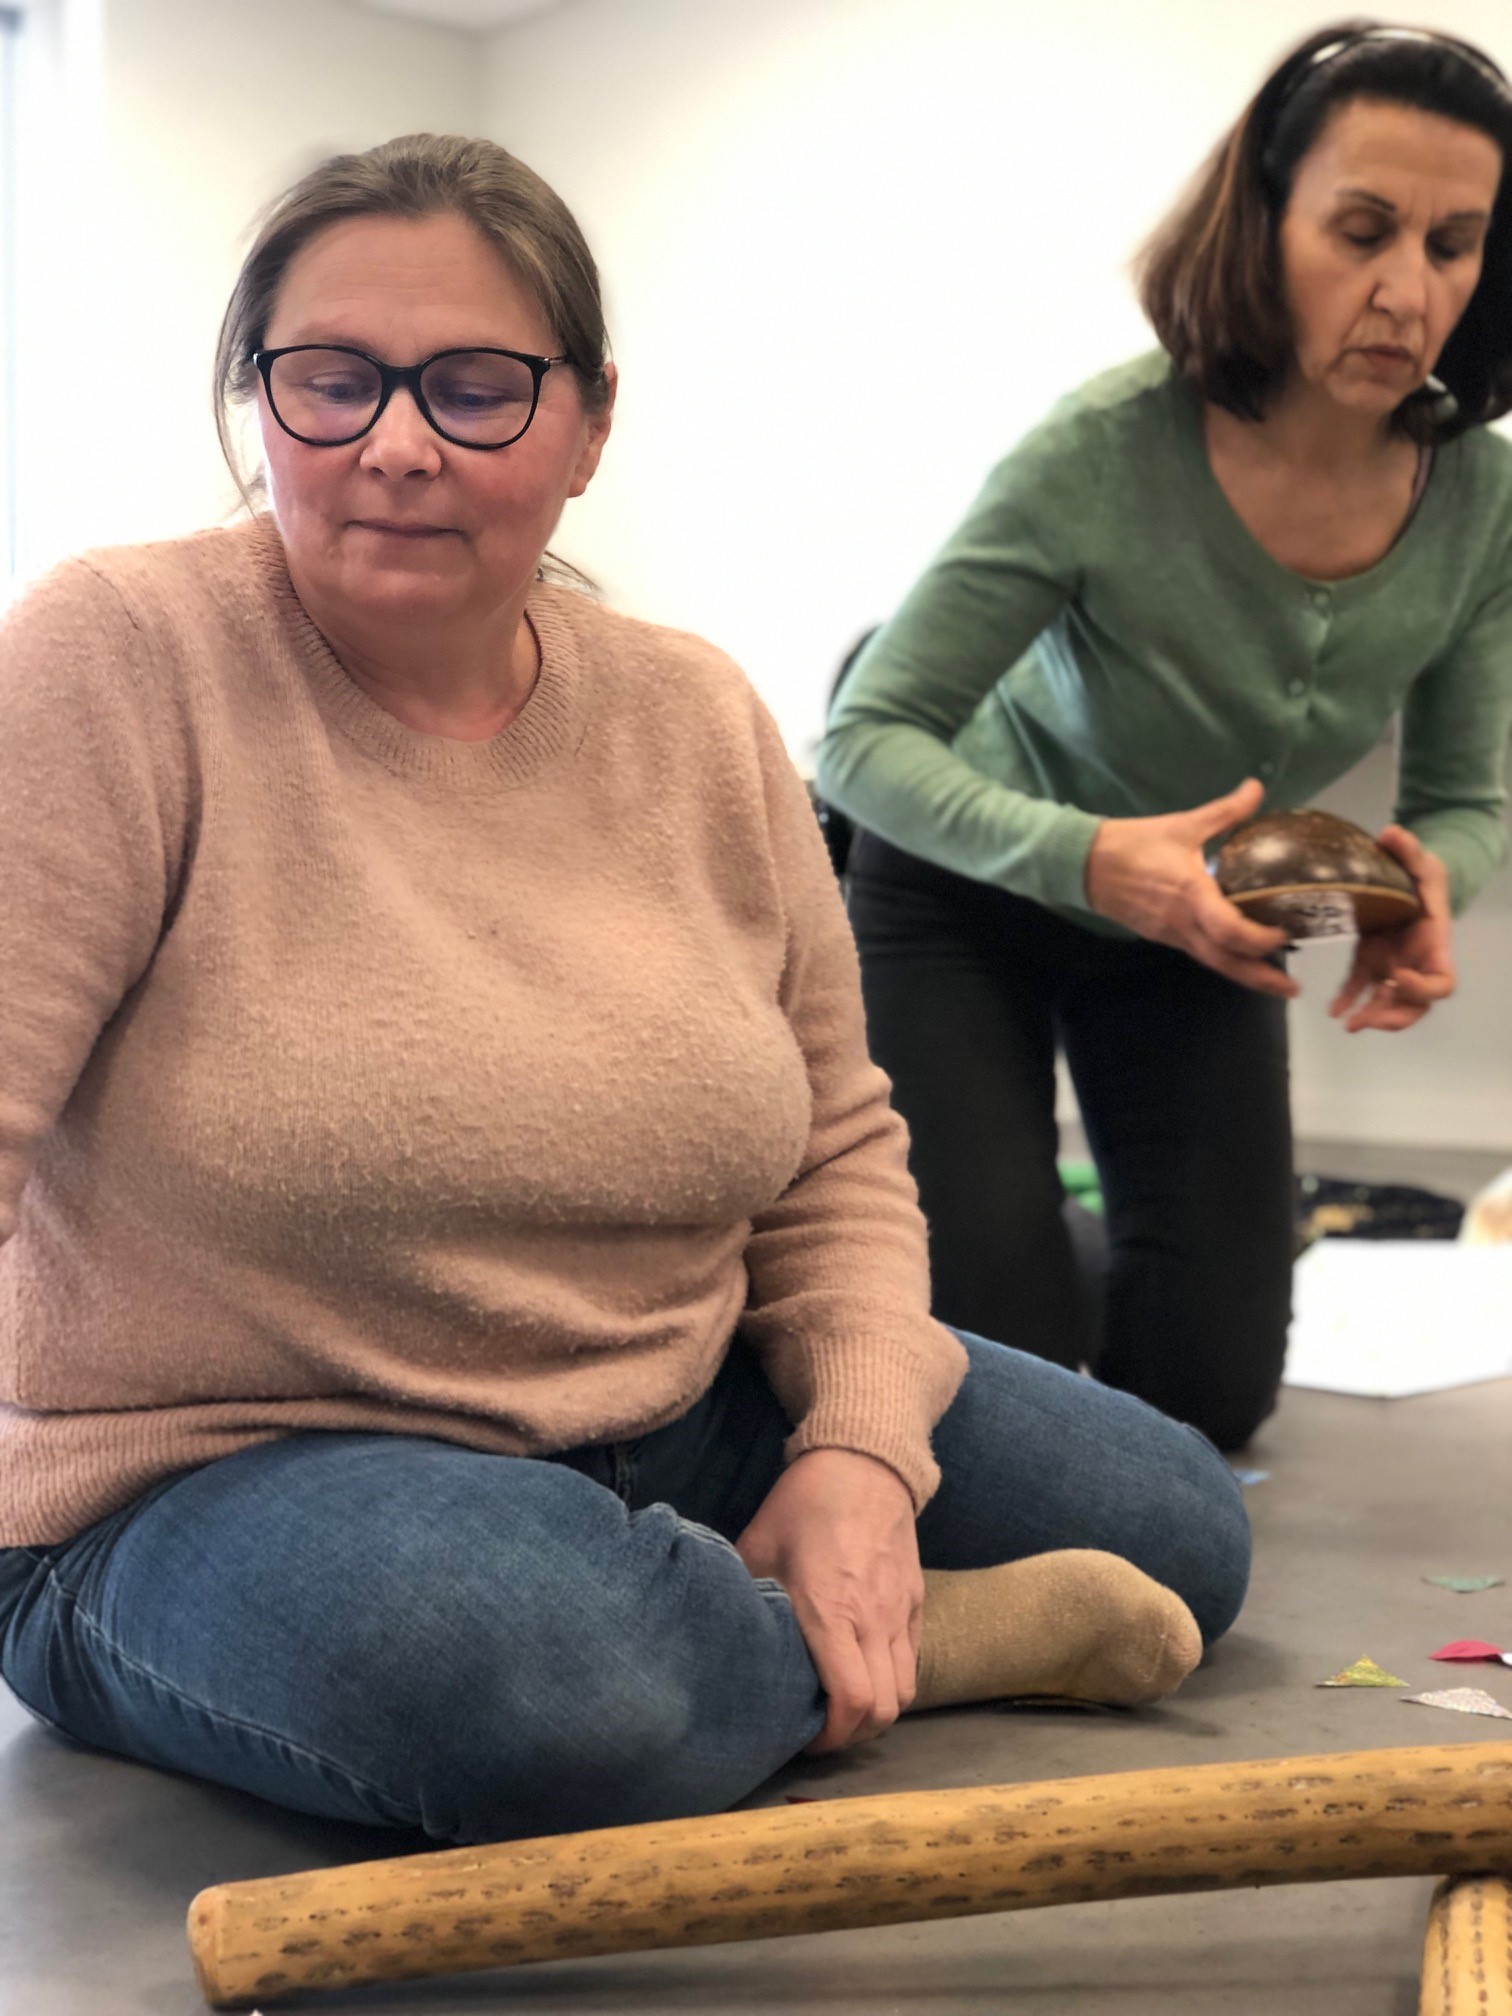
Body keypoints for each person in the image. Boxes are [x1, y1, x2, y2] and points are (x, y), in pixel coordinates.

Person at [0, 135, 1249, 1849]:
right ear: (259, 402)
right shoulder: (116, 658)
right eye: (332, 381)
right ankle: (854, 1648)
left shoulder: (692, 715)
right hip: (224, 1468)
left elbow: (835, 1149)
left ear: (588, 424)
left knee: (1183, 1519)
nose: (397, 443)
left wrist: (860, 1458)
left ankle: (739, 1611)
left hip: (672, 1399)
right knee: (542, 1680)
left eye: (478, 388)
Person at [816, 22, 1512, 1453]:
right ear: (1263, 229)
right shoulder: (1101, 451)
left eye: (1455, 244)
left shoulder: (1479, 503)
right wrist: (1092, 861)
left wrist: (1424, 883)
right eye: (1363, 229)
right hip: (965, 890)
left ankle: (1030, 1256)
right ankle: (916, 1263)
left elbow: (1462, 798)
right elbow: (863, 739)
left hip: (1198, 917)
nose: (1408, 292)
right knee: (1004, 1365)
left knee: (1210, 1393)